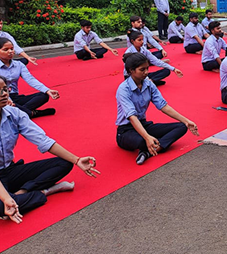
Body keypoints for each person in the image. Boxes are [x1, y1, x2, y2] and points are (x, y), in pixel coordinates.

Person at [0, 75, 99, 220]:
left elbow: (44, 141)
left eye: (4, 89)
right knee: (2, 206)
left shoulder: (14, 114)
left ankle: (20, 194)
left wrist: (77, 160)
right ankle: (43, 192)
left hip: (10, 170)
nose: (4, 94)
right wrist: (5, 199)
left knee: (64, 163)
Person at [116, 53, 199, 165]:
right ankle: (152, 145)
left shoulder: (149, 84)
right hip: (126, 130)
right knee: (142, 140)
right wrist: (147, 137)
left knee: (181, 127)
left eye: (147, 68)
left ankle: (148, 151)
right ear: (131, 70)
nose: (146, 72)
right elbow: (132, 117)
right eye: (142, 70)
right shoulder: (123, 89)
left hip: (144, 124)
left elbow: (163, 106)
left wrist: (186, 121)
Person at [0, 38, 58, 118]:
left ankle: (21, 113)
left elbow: (30, 79)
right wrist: (8, 100)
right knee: (5, 104)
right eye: (5, 49)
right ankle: (32, 113)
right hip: (2, 97)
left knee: (44, 95)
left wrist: (47, 90)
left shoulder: (19, 65)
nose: (10, 51)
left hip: (15, 97)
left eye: (12, 49)